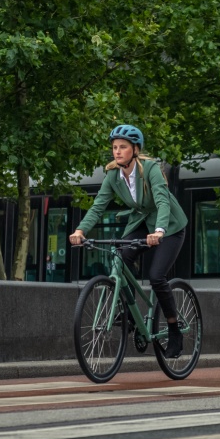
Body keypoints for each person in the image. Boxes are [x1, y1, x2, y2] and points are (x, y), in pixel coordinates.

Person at [69, 125, 189, 357]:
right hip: (142, 222)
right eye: (114, 147)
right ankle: (129, 312)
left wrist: (160, 230)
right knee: (120, 259)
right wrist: (80, 230)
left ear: (135, 149)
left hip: (170, 225)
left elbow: (163, 201)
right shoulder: (113, 175)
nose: (117, 151)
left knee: (156, 276)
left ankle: (174, 328)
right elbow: (98, 205)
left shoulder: (151, 169)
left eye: (123, 147)